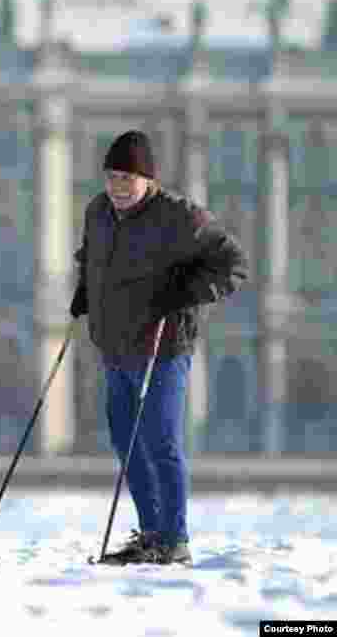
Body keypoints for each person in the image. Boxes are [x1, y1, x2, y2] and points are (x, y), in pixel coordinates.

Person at [71, 130, 249, 566]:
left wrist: (186, 290)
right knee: (126, 442)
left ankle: (175, 539)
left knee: (161, 442)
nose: (117, 186)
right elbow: (90, 255)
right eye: (111, 176)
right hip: (114, 346)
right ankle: (152, 534)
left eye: (127, 178)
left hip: (162, 347)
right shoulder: (97, 211)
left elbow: (233, 265)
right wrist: (84, 290)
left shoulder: (179, 216)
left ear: (148, 179)